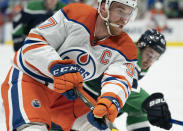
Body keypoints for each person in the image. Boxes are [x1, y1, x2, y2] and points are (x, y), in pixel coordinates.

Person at [1, 0, 138, 131]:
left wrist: (110, 100)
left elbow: (118, 80)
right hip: (30, 80)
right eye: (120, 11)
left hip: (67, 93)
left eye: (129, 13)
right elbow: (33, 43)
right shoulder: (75, 14)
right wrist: (57, 66)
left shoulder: (127, 50)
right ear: (104, 7)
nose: (124, 19)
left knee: (97, 127)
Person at [82, 29, 172, 131]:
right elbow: (124, 84)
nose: (150, 60)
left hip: (106, 95)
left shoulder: (142, 63)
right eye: (149, 54)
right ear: (140, 46)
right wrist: (151, 103)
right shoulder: (129, 54)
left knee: (139, 109)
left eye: (155, 57)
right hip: (87, 95)